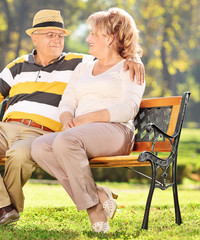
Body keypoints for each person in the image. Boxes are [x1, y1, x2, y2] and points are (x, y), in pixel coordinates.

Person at [0, 9, 144, 225]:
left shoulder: (78, 63)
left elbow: (113, 56)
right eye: (50, 34)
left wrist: (134, 57)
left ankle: (0, 211)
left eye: (60, 35)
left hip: (39, 132)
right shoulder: (17, 66)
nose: (57, 39)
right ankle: (1, 208)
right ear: (34, 37)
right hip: (4, 128)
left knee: (20, 153)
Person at [31, 8, 145, 233]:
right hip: (80, 133)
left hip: (116, 131)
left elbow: (129, 108)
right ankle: (99, 196)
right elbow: (67, 102)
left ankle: (94, 212)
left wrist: (88, 118)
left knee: (65, 141)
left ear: (110, 38)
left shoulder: (129, 67)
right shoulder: (84, 67)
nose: (87, 38)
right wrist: (67, 119)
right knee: (40, 146)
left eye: (93, 33)